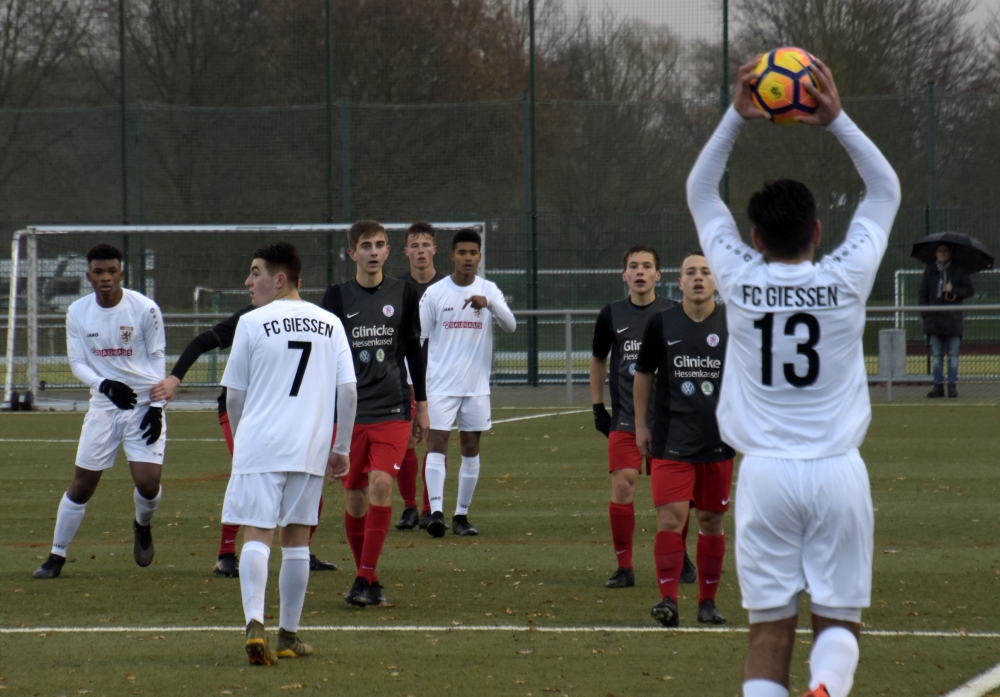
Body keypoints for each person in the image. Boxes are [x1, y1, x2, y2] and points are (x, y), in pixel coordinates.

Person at [687, 56, 900, 697]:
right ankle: (826, 689)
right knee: (840, 620)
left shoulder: (740, 280)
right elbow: (884, 189)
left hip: (766, 475)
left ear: (752, 236)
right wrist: (835, 120)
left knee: (768, 632)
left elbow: (700, 190)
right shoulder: (845, 277)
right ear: (817, 231)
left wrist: (735, 113)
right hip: (837, 469)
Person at [220, 242, 356, 665]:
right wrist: (341, 448)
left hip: (261, 444)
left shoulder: (252, 323)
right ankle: (288, 635)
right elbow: (348, 392)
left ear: (280, 279)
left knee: (257, 533)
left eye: (255, 272)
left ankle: (255, 624)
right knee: (296, 539)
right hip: (309, 446)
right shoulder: (331, 323)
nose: (248, 281)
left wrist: (244, 441)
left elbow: (234, 397)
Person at [150, 304, 339, 577]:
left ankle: (302, 551)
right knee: (249, 477)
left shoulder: (313, 319)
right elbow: (202, 341)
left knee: (310, 478)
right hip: (242, 410)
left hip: (291, 412)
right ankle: (225, 554)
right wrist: (175, 378)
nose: (249, 283)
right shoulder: (248, 319)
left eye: (256, 273)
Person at [34, 244, 167, 579]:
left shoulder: (145, 308)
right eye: (99, 272)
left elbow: (158, 359)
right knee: (82, 484)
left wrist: (157, 406)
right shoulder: (77, 312)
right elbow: (77, 363)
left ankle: (142, 524)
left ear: (121, 274)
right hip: (105, 406)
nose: (105, 278)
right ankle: (56, 555)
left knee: (149, 485)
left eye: (111, 272)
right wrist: (105, 384)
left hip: (142, 404)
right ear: (89, 275)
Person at [321, 220, 430, 607]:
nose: (372, 251)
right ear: (352, 253)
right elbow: (324, 359)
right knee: (354, 498)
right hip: (349, 414)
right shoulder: (335, 298)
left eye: (379, 245)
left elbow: (415, 352)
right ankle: (367, 578)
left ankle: (365, 577)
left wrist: (423, 408)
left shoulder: (405, 293)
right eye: (365, 245)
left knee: (382, 484)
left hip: (393, 408)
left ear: (387, 252)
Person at [633, 251, 733, 627]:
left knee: (710, 521)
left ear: (715, 282)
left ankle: (708, 602)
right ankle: (668, 600)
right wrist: (641, 426)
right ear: (678, 282)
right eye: (690, 272)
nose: (698, 278)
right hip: (670, 441)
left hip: (718, 441)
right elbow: (643, 374)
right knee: (671, 520)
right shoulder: (662, 323)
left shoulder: (734, 323)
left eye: (705, 272)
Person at [589, 245, 681, 590]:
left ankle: (679, 552)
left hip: (670, 421)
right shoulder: (611, 314)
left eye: (647, 266)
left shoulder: (674, 311)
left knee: (671, 498)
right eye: (633, 266)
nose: (640, 272)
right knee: (624, 483)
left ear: (659, 275)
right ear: (624, 275)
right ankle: (624, 567)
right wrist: (598, 407)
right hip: (626, 419)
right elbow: (598, 359)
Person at [419, 228, 516, 537]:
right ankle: (436, 512)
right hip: (439, 386)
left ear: (479, 256)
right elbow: (419, 338)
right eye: (462, 253)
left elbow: (511, 325)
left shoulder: (489, 290)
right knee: (437, 443)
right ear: (452, 256)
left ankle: (461, 516)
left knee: (471, 447)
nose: (468, 258)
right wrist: (413, 383)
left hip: (475, 387)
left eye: (473, 253)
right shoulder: (435, 293)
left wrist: (488, 303)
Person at [394, 222, 447, 531]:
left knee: (433, 442)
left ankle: (431, 508)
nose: (420, 251)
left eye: (425, 245)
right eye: (414, 246)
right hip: (405, 378)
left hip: (440, 378)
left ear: (434, 249)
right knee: (404, 444)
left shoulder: (447, 286)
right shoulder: (396, 289)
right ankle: (409, 507)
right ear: (406, 251)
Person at [918, 242, 973, 398]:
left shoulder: (959, 270)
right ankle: (937, 386)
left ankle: (952, 386)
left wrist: (953, 291)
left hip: (953, 320)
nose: (942, 253)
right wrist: (925, 314)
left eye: (946, 251)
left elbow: (970, 290)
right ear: (935, 253)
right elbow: (922, 293)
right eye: (940, 250)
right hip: (934, 320)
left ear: (950, 253)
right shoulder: (930, 270)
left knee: (953, 356)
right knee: (937, 357)